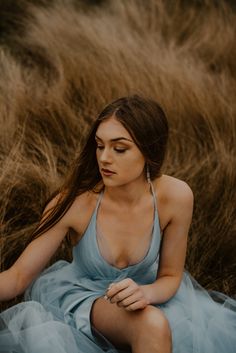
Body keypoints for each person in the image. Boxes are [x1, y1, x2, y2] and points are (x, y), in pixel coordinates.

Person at [0, 95, 235, 353]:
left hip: (148, 296)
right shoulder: (74, 202)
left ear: (149, 151)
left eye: (119, 148)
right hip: (87, 299)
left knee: (158, 322)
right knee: (152, 325)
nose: (104, 158)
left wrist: (147, 294)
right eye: (100, 146)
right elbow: (17, 277)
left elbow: (170, 276)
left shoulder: (176, 196)